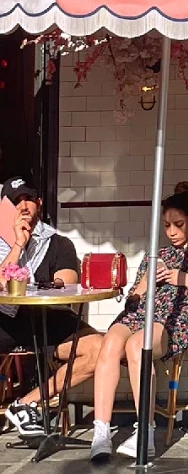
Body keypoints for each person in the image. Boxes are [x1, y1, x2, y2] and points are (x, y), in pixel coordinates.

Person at [89, 183, 188, 464]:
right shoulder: (156, 255)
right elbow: (131, 302)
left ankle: (146, 432)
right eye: (166, 226)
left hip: (174, 321)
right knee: (110, 342)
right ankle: (101, 432)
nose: (172, 232)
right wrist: (142, 285)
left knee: (137, 346)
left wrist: (186, 280)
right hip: (140, 314)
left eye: (178, 224)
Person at [1, 177, 98, 439]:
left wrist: (38, 284)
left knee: (99, 349)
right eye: (15, 201)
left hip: (47, 318)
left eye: (28, 199)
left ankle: (25, 403)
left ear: (39, 204)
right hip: (4, 321)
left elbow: (67, 281)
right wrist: (18, 244)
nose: (23, 206)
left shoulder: (58, 243)